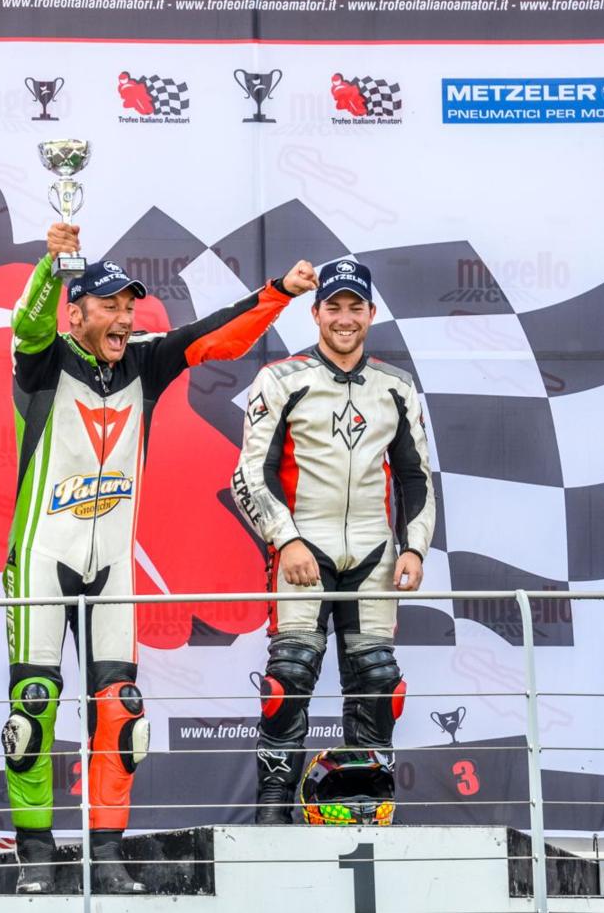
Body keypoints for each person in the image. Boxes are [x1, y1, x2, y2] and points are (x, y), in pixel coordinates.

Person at [3, 223, 317, 893]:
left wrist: (278, 293)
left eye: (129, 306)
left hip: (113, 566)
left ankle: (106, 852)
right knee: (33, 707)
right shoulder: (42, 360)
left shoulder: (145, 361)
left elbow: (215, 336)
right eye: (109, 306)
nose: (124, 317)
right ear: (77, 314)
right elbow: (25, 322)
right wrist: (52, 266)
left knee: (122, 712)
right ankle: (36, 853)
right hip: (40, 558)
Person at [230, 258, 435, 823]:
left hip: (374, 551)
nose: (345, 318)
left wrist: (414, 547)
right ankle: (272, 812)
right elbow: (248, 473)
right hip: (304, 546)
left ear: (371, 313)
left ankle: (364, 808)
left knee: (378, 682)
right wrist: (286, 540)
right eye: (334, 307)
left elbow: (416, 476)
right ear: (316, 313)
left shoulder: (397, 386)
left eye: (355, 308)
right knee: (290, 675)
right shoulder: (281, 378)